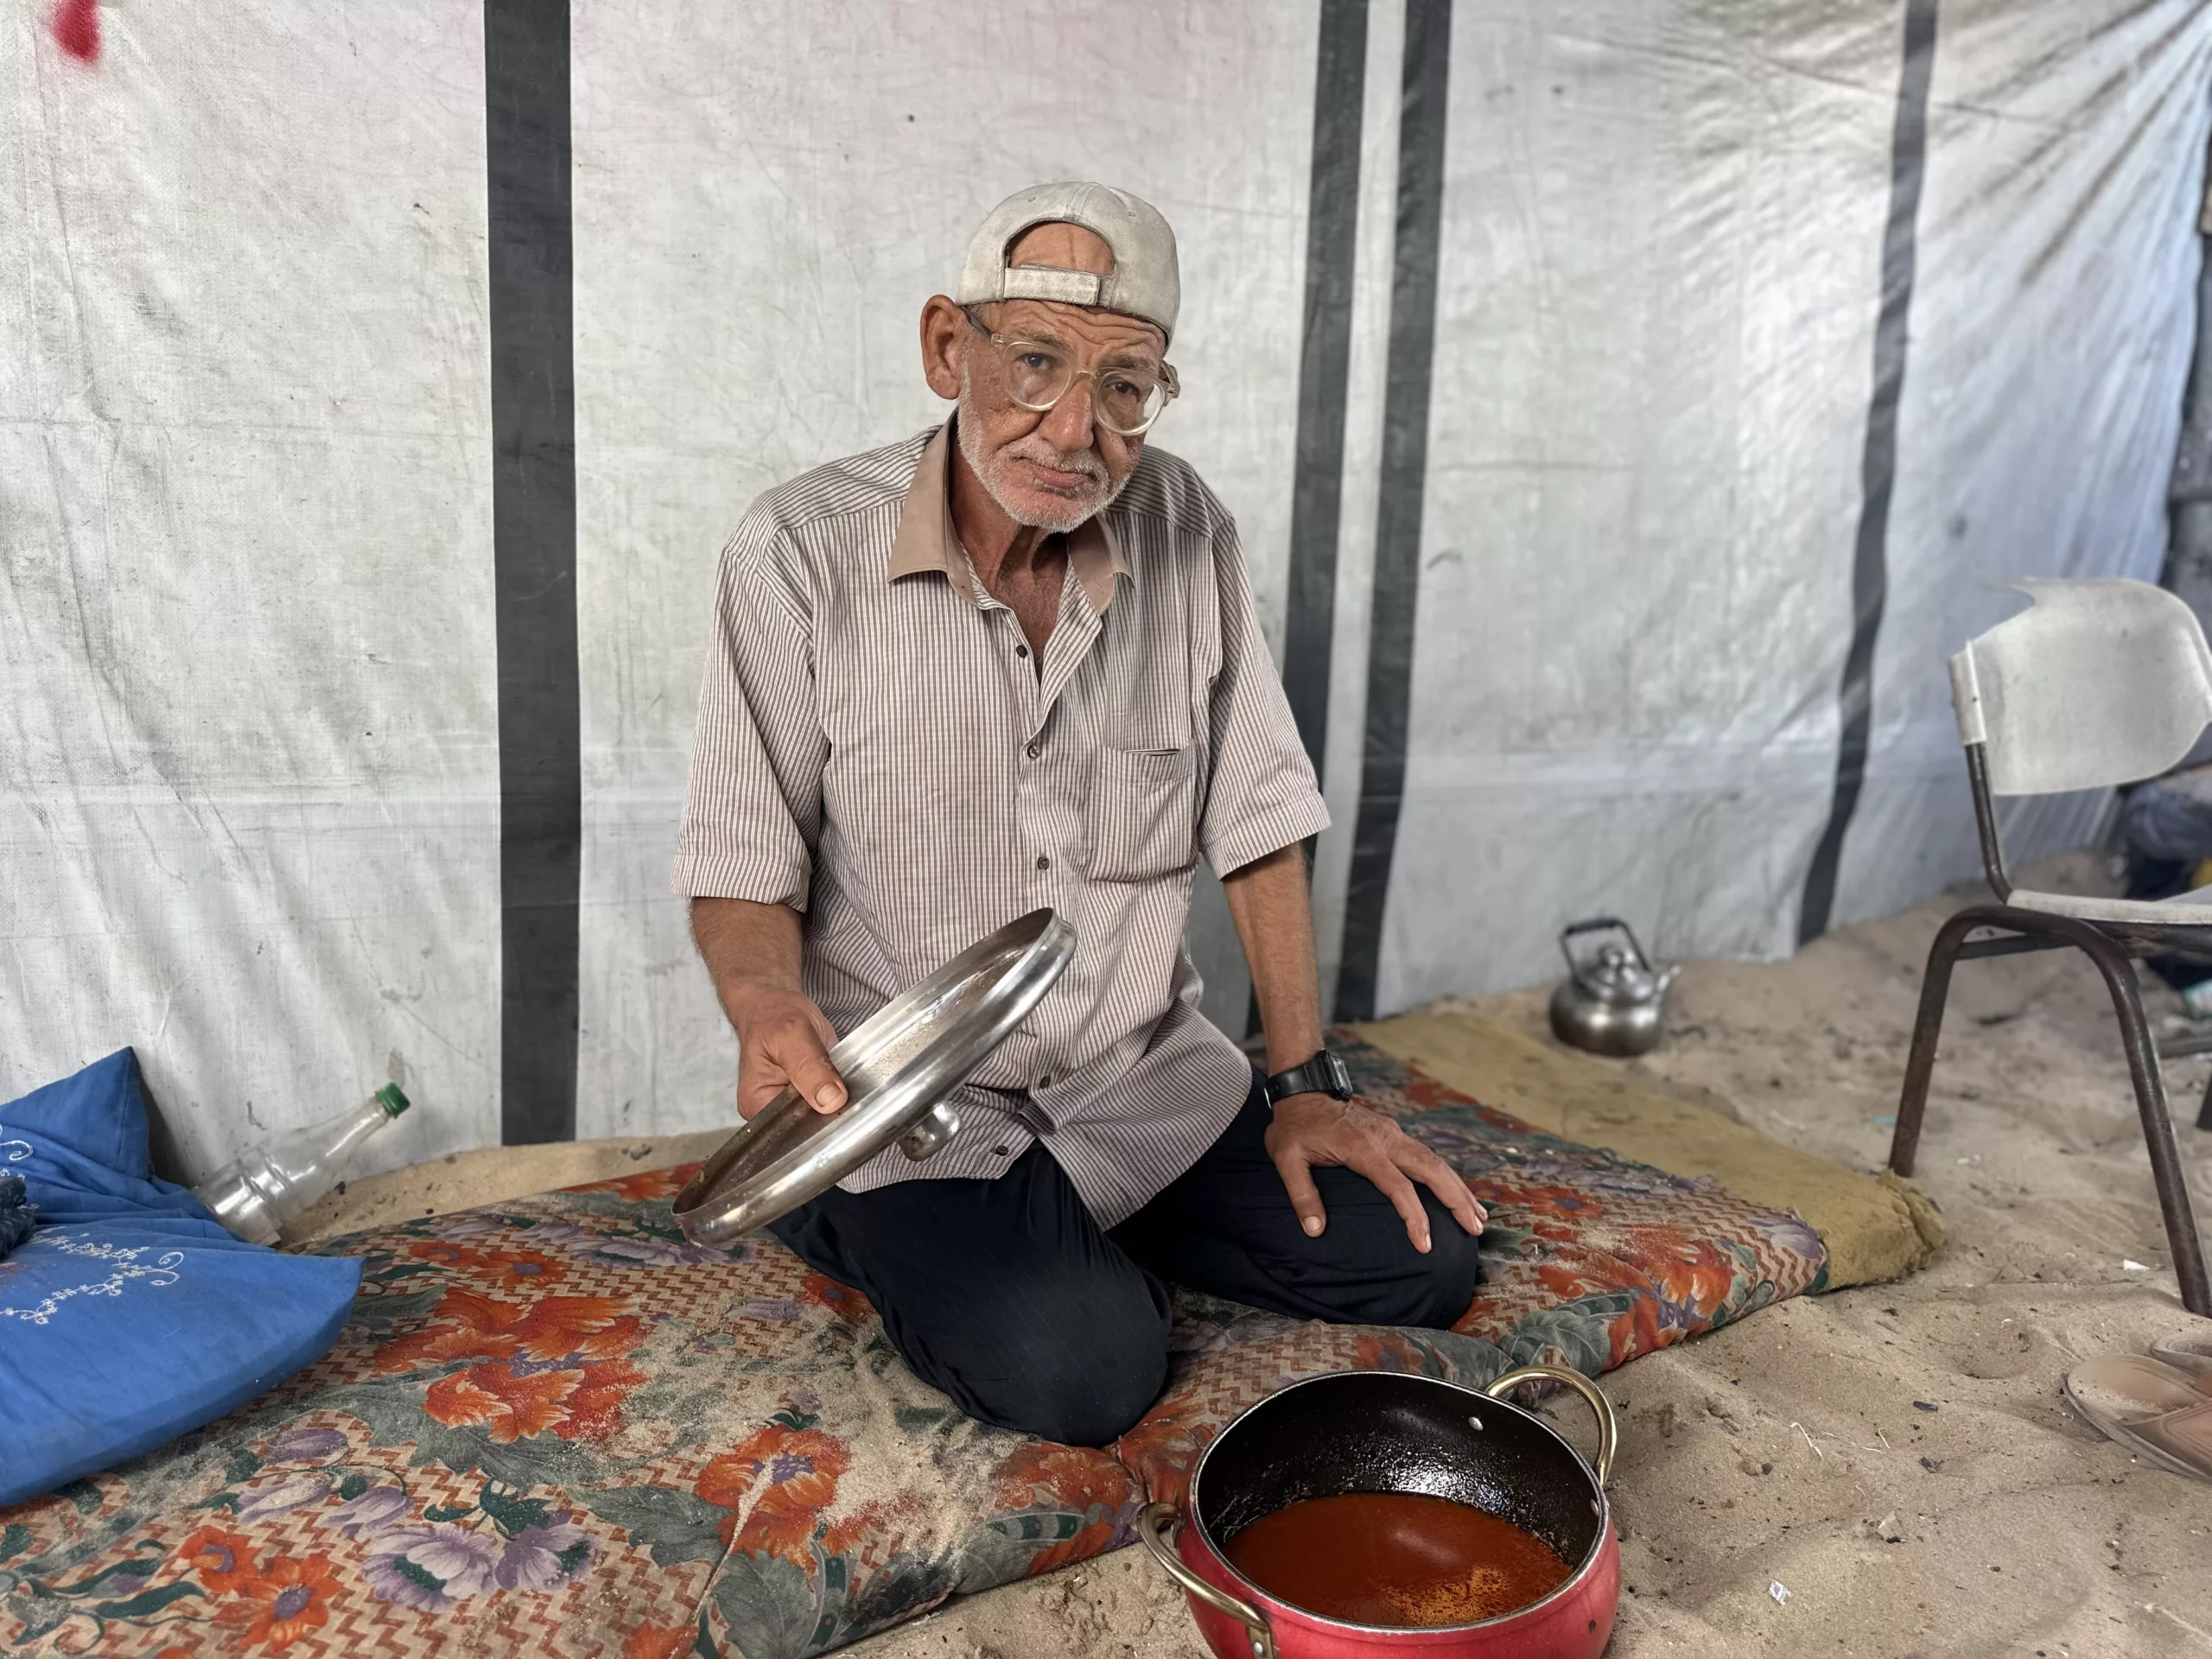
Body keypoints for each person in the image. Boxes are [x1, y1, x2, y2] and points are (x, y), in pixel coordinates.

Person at [674, 181, 1484, 1446]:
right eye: (1035, 363)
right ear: (951, 347)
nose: (1075, 430)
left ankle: (1071, 1221)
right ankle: (843, 1208)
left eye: (1125, 386)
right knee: (1086, 1374)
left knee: (1416, 1264)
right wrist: (767, 1006)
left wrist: (1308, 1081)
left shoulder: (1185, 525)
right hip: (909, 1110)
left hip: (1136, 1076)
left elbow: (1260, 807)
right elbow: (740, 856)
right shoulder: (798, 549)